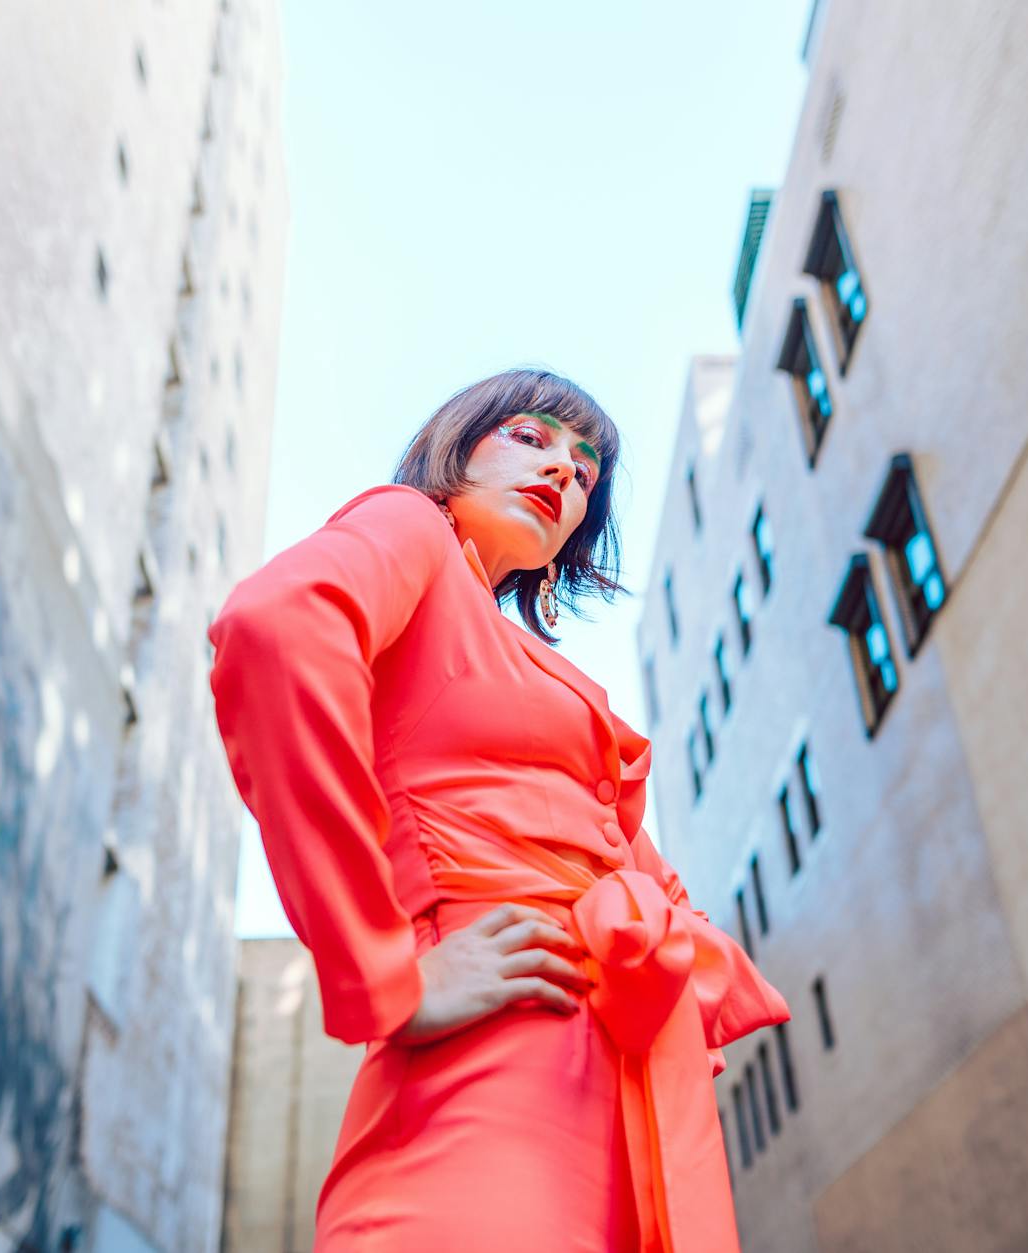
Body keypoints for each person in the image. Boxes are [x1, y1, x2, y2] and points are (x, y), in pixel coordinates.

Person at [208, 367, 790, 1251]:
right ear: (458, 445)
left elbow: (659, 893)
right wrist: (386, 977)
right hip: (486, 1071)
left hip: (624, 1104)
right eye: (531, 438)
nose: (565, 471)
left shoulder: (544, 675)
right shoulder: (412, 530)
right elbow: (278, 626)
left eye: (587, 470)